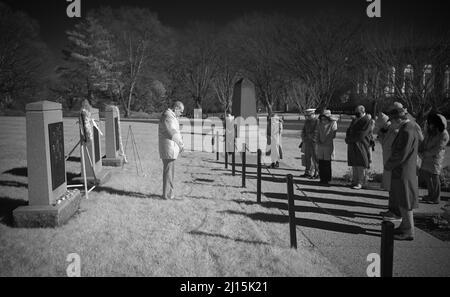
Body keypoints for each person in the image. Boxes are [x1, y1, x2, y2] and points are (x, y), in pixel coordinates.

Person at [384, 103, 420, 241]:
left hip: (403, 171)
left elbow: (401, 153)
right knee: (402, 200)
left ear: (398, 119)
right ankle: (405, 226)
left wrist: (389, 165)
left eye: (392, 121)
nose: (391, 124)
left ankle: (408, 230)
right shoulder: (407, 128)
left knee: (405, 201)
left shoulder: (406, 130)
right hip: (403, 170)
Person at [419, 113, 449, 204]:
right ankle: (430, 195)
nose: (430, 124)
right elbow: (425, 141)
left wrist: (425, 153)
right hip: (426, 157)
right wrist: (420, 149)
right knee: (426, 175)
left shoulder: (444, 134)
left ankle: (436, 198)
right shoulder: (430, 131)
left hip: (435, 158)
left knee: (434, 176)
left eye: (432, 123)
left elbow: (438, 148)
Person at [158, 101, 185, 200]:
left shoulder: (171, 116)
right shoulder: (168, 116)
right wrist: (181, 144)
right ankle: (166, 194)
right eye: (181, 111)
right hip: (168, 148)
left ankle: (169, 193)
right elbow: (171, 132)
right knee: (168, 171)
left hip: (171, 148)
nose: (181, 114)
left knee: (170, 171)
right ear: (176, 108)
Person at [345, 105, 372, 190]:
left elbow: (362, 134)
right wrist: (347, 138)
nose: (356, 113)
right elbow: (349, 130)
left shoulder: (366, 120)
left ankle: (360, 182)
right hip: (353, 144)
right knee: (354, 163)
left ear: (363, 111)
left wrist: (351, 139)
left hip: (361, 144)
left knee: (361, 164)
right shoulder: (355, 120)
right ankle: (354, 181)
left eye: (358, 112)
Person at [316, 109, 338, 185]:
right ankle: (322, 178)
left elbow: (333, 134)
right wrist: (318, 141)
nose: (323, 119)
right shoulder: (319, 123)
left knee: (327, 163)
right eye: (322, 117)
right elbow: (317, 133)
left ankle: (327, 179)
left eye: (325, 117)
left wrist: (325, 142)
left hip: (328, 146)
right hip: (320, 146)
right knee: (321, 162)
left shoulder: (333, 123)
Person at [300, 109, 319, 179]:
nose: (307, 116)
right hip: (307, 142)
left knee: (315, 158)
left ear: (313, 114)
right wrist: (304, 138)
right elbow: (303, 130)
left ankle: (316, 173)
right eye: (306, 115)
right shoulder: (307, 121)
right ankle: (307, 172)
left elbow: (316, 132)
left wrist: (312, 139)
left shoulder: (317, 121)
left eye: (309, 115)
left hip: (314, 142)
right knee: (307, 157)